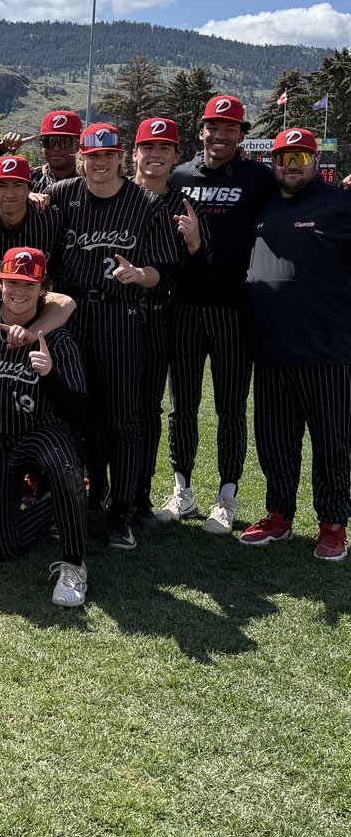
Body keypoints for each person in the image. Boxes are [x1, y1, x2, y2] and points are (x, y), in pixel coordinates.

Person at [46, 122, 177, 549]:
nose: (100, 163)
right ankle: (78, 500)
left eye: (108, 156)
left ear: (122, 158)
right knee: (73, 413)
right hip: (70, 312)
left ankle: (122, 510)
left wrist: (141, 274)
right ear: (81, 159)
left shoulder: (146, 202)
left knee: (124, 418)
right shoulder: (64, 194)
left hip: (121, 315)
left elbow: (164, 269)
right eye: (92, 156)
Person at [158, 95, 276, 533]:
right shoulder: (181, 175)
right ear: (201, 129)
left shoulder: (258, 178)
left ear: (242, 135)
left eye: (230, 129)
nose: (220, 136)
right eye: (214, 127)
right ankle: (182, 490)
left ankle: (226, 495)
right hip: (184, 306)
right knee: (181, 404)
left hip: (233, 309)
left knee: (230, 406)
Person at [0, 247, 90, 606]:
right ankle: (68, 503)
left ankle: (74, 563)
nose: (20, 291)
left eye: (29, 284)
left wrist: (49, 374)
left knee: (63, 466)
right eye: (13, 282)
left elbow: (77, 409)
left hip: (41, 430)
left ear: (42, 288)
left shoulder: (56, 335)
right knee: (0, 547)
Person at [241, 128, 351, 561]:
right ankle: (279, 516)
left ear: (314, 162)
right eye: (283, 158)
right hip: (270, 348)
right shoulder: (264, 205)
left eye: (301, 158)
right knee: (274, 440)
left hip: (325, 349)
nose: (291, 166)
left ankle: (332, 523)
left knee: (330, 442)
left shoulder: (341, 204)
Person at [130, 118, 204, 527]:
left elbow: (199, 276)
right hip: (107, 315)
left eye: (164, 149)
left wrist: (194, 244)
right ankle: (98, 488)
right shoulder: (116, 192)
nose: (155, 155)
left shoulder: (184, 205)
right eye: (148, 147)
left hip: (158, 317)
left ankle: (139, 492)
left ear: (176, 156)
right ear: (135, 153)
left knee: (147, 410)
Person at [0, 155, 63, 275]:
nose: (9, 193)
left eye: (17, 185)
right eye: (1, 186)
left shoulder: (50, 218)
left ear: (29, 189)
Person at [30, 110, 83, 193]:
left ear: (78, 144)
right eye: (49, 141)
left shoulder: (92, 182)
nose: (55, 148)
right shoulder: (29, 181)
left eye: (64, 142)